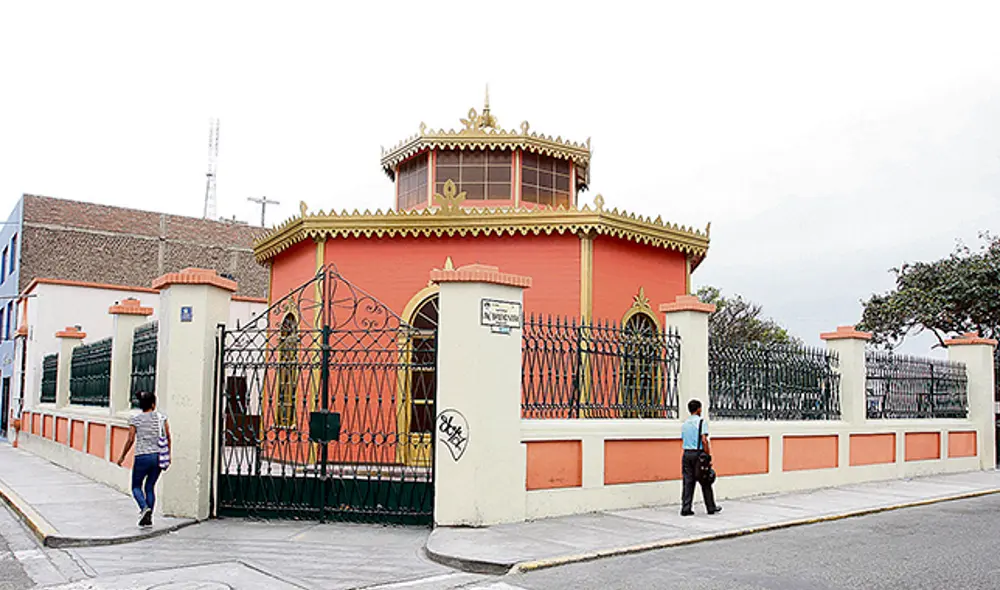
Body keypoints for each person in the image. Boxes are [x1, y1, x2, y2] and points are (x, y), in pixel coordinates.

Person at [116, 391, 171, 527]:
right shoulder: (161, 418)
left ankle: (144, 507)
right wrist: (168, 455)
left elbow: (130, 439)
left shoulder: (136, 420)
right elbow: (168, 436)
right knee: (150, 486)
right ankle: (149, 517)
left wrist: (122, 456)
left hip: (142, 457)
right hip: (158, 456)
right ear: (153, 404)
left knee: (135, 486)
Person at [680, 399, 720, 516]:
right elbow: (704, 440)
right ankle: (710, 507)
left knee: (688, 481)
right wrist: (708, 455)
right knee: (705, 480)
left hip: (687, 453)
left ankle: (686, 508)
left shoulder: (685, 424)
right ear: (698, 409)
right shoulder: (702, 422)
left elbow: (683, 438)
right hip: (698, 455)